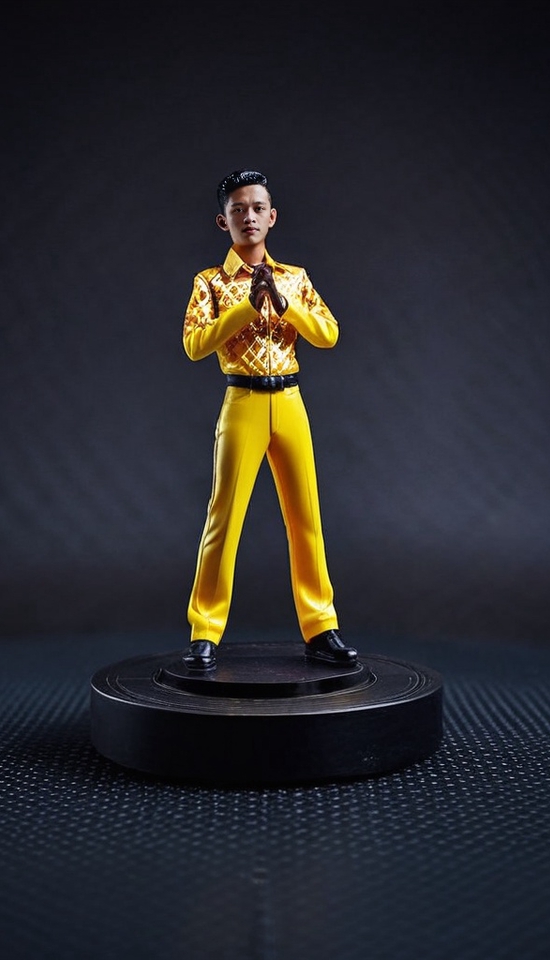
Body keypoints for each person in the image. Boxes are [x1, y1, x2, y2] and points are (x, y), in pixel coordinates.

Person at [181, 170, 357, 670]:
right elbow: (194, 344)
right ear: (223, 221)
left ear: (272, 216)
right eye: (238, 209)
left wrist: (285, 305)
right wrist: (244, 308)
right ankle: (205, 629)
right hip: (243, 402)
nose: (249, 217)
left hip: (291, 401)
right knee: (224, 518)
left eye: (258, 207)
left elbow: (328, 334)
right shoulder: (210, 282)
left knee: (306, 518)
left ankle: (321, 627)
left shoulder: (295, 277)